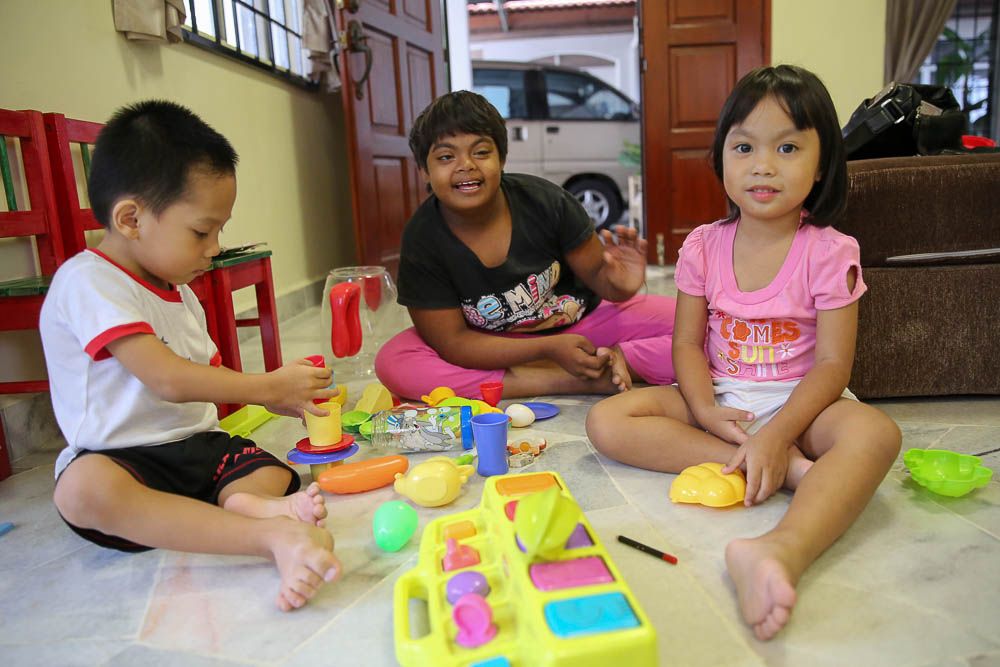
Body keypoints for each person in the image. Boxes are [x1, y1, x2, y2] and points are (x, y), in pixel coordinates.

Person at [585, 66, 902, 641]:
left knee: (876, 435)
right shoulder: (703, 245)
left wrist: (779, 434)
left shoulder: (831, 252)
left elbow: (833, 366)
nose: (763, 164)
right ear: (722, 160)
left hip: (802, 406)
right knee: (608, 419)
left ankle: (778, 548)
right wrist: (705, 409)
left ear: (822, 163)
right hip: (723, 402)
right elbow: (686, 342)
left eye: (787, 147)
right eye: (744, 146)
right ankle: (783, 475)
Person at [39, 100, 341, 612]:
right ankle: (265, 533)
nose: (214, 247)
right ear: (132, 218)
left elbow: (203, 376)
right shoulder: (87, 282)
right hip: (121, 460)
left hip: (195, 448)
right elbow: (169, 380)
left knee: (263, 466)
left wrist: (271, 401)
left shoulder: (179, 291)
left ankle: (248, 502)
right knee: (83, 491)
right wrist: (266, 386)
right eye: (202, 231)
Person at [375, 91, 677, 401]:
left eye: (481, 152)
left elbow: (600, 277)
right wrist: (547, 349)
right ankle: (573, 379)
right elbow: (454, 343)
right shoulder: (422, 239)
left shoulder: (546, 201)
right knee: (395, 363)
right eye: (446, 157)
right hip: (487, 345)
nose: (466, 165)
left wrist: (621, 284)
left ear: (502, 158)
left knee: (704, 328)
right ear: (424, 170)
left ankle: (615, 361)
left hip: (581, 325)